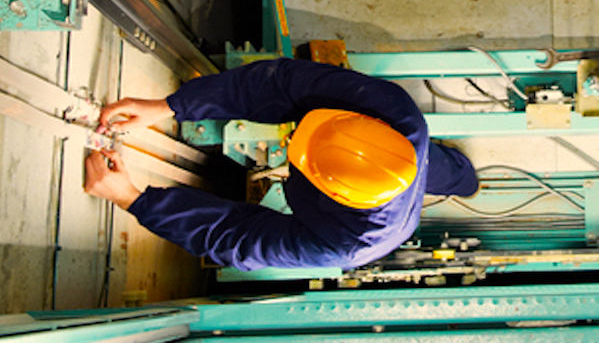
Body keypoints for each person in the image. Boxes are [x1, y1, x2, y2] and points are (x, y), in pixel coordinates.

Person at [83, 58, 478, 270]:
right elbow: (278, 83)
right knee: (439, 166)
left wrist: (133, 199)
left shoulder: (346, 245)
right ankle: (466, 179)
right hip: (412, 155)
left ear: (331, 191)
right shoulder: (394, 112)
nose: (291, 142)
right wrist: (171, 106)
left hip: (385, 215)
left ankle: (463, 178)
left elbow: (236, 236)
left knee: (431, 167)